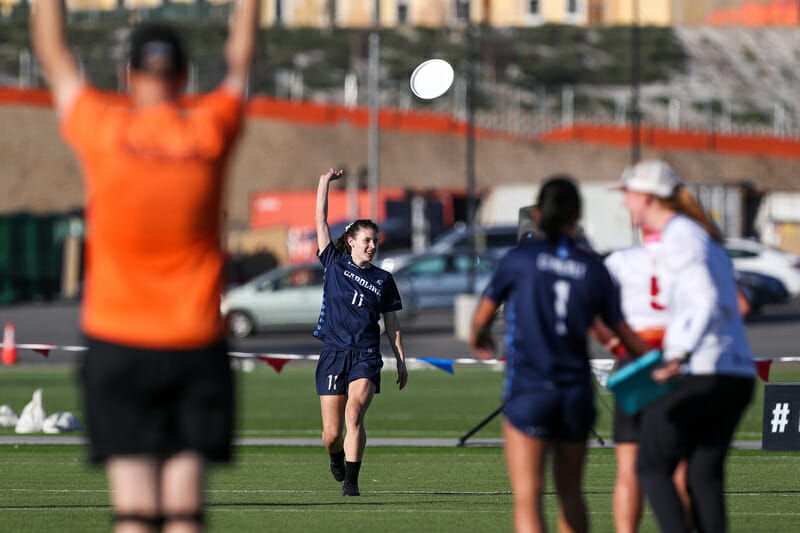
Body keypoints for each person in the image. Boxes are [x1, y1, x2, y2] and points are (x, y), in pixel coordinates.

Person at [32, 1, 259, 531]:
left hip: (118, 340)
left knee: (133, 513)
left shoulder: (101, 128)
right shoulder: (210, 130)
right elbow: (242, 59)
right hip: (194, 341)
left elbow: (52, 51)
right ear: (184, 76)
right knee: (184, 513)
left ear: (127, 76)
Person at [470, 175, 651, 533]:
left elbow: (480, 318)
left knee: (528, 496)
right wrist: (664, 362)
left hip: (530, 389)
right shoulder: (593, 268)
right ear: (577, 216)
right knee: (570, 493)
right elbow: (624, 333)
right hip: (575, 393)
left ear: (537, 214)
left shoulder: (519, 260)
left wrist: (482, 339)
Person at [616, 159, 755, 533]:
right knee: (702, 475)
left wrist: (676, 353)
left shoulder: (680, 236)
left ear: (646, 196)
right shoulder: (701, 235)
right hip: (735, 372)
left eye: (628, 194)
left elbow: (704, 298)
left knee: (650, 465)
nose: (625, 202)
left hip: (706, 371)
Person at [314, 168, 409, 497]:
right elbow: (320, 221)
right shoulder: (333, 263)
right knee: (330, 433)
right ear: (351, 241)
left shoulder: (384, 279)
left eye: (375, 241)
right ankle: (336, 457)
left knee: (355, 411)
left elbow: (392, 324)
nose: (372, 245)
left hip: (366, 356)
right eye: (366, 240)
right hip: (333, 354)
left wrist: (400, 360)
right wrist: (325, 182)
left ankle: (352, 484)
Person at [595, 230, 691, 533]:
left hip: (635, 362)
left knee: (628, 468)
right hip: (678, 363)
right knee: (680, 468)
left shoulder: (621, 260)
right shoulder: (691, 259)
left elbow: (589, 307)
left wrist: (612, 342)